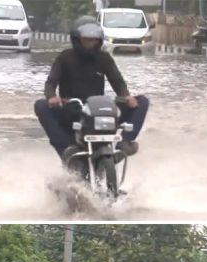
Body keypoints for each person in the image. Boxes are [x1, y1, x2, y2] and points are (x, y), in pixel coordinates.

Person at [34, 16, 150, 170]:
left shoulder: (104, 58)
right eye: (87, 40)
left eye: (94, 40)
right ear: (77, 40)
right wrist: (52, 97)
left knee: (142, 101)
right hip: (72, 110)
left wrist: (126, 96)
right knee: (40, 105)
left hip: (98, 110)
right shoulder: (65, 57)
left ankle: (124, 144)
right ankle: (66, 149)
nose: (91, 43)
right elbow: (51, 83)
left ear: (99, 40)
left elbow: (118, 82)